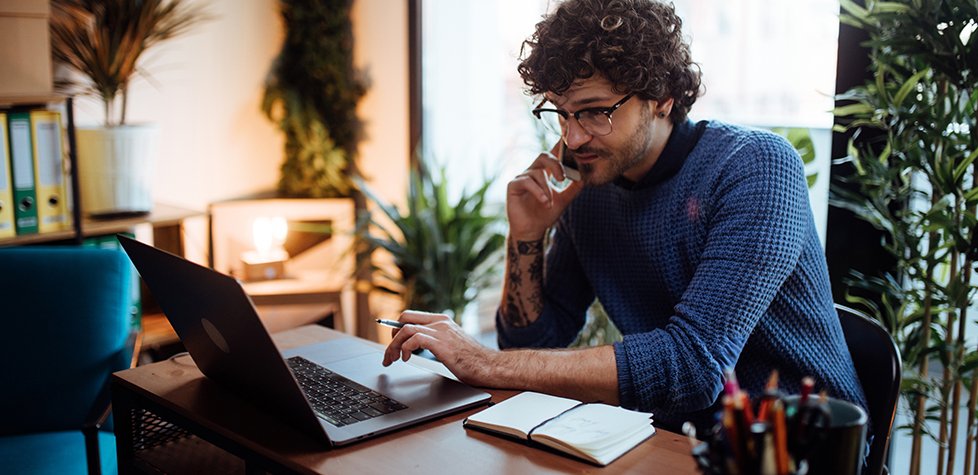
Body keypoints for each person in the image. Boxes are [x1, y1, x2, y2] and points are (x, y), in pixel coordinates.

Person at [382, 0, 867, 435]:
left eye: (595, 112)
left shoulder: (755, 166)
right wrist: (527, 235)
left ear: (662, 97)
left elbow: (693, 366)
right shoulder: (591, 186)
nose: (572, 138)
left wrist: (482, 363)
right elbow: (534, 340)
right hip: (676, 440)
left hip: (803, 442)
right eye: (562, 113)